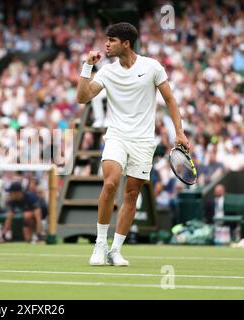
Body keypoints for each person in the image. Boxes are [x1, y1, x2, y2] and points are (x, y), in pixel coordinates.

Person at [76, 22, 190, 266]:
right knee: (110, 184)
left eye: (112, 40)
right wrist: (87, 66)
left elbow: (170, 99)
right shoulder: (106, 71)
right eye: (107, 39)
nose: (106, 44)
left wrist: (179, 132)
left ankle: (115, 250)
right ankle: (100, 244)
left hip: (143, 140)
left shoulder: (152, 67)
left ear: (126, 43)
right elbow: (82, 97)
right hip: (117, 135)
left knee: (131, 194)